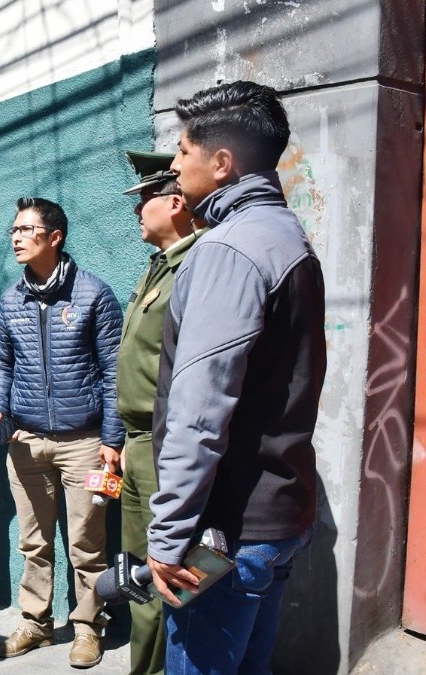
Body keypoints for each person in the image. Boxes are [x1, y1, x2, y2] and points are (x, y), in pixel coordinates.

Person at [146, 80, 326, 674]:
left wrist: (169, 537)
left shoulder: (230, 248)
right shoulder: (286, 235)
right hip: (275, 521)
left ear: (222, 163)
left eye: (183, 151)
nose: (174, 166)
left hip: (225, 531)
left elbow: (201, 408)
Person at [0, 197, 124, 668]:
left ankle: (87, 628)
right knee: (34, 543)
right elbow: (2, 363)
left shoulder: (93, 295)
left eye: (26, 229)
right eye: (14, 230)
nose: (16, 237)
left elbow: (113, 372)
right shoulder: (10, 299)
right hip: (25, 442)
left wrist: (111, 439)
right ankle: (36, 624)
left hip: (84, 442)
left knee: (87, 545)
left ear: (55, 237)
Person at [115, 151, 201, 675]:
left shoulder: (195, 266)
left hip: (165, 442)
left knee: (158, 577)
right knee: (134, 573)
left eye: (145, 199)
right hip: (137, 442)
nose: (137, 210)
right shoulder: (158, 266)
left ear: (175, 201)